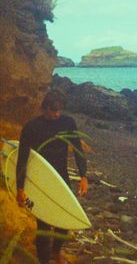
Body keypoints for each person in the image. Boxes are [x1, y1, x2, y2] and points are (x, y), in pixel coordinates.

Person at [16, 90, 88, 264]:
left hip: (61, 177)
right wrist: (20, 188)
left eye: (59, 110)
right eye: (52, 110)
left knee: (64, 219)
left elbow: (78, 149)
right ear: (44, 108)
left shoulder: (67, 122)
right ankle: (43, 261)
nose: (56, 114)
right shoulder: (32, 127)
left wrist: (83, 176)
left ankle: (56, 251)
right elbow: (22, 159)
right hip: (41, 179)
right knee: (43, 224)